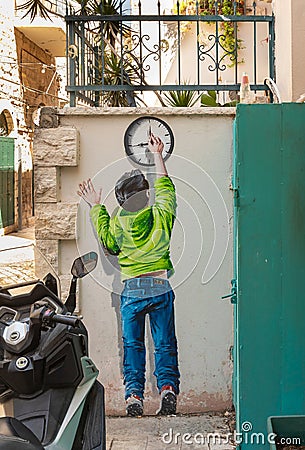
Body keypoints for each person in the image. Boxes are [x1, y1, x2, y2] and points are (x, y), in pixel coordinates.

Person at [77, 134, 180, 417]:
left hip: (132, 289)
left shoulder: (118, 220)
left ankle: (134, 395)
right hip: (160, 285)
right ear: (146, 195)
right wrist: (157, 154)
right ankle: (168, 389)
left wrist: (96, 206)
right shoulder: (160, 214)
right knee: (164, 343)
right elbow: (166, 188)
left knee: (133, 345)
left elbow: (108, 244)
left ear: (122, 201)